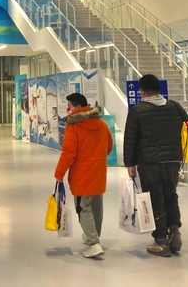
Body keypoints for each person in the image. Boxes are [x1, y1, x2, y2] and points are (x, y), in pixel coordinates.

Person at [123, 74, 188, 258]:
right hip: (173, 160)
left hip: (150, 162)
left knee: (155, 199)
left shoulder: (138, 110)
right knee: (171, 195)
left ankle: (161, 241)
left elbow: (130, 139)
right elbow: (187, 125)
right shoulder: (174, 106)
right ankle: (174, 229)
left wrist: (129, 163)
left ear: (143, 91)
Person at [54, 93, 113, 259]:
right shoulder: (101, 124)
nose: (68, 110)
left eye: (70, 106)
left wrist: (59, 173)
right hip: (99, 172)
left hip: (82, 174)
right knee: (96, 206)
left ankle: (94, 243)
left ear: (78, 107)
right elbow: (109, 146)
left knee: (83, 208)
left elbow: (68, 153)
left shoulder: (74, 127)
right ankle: (92, 235)